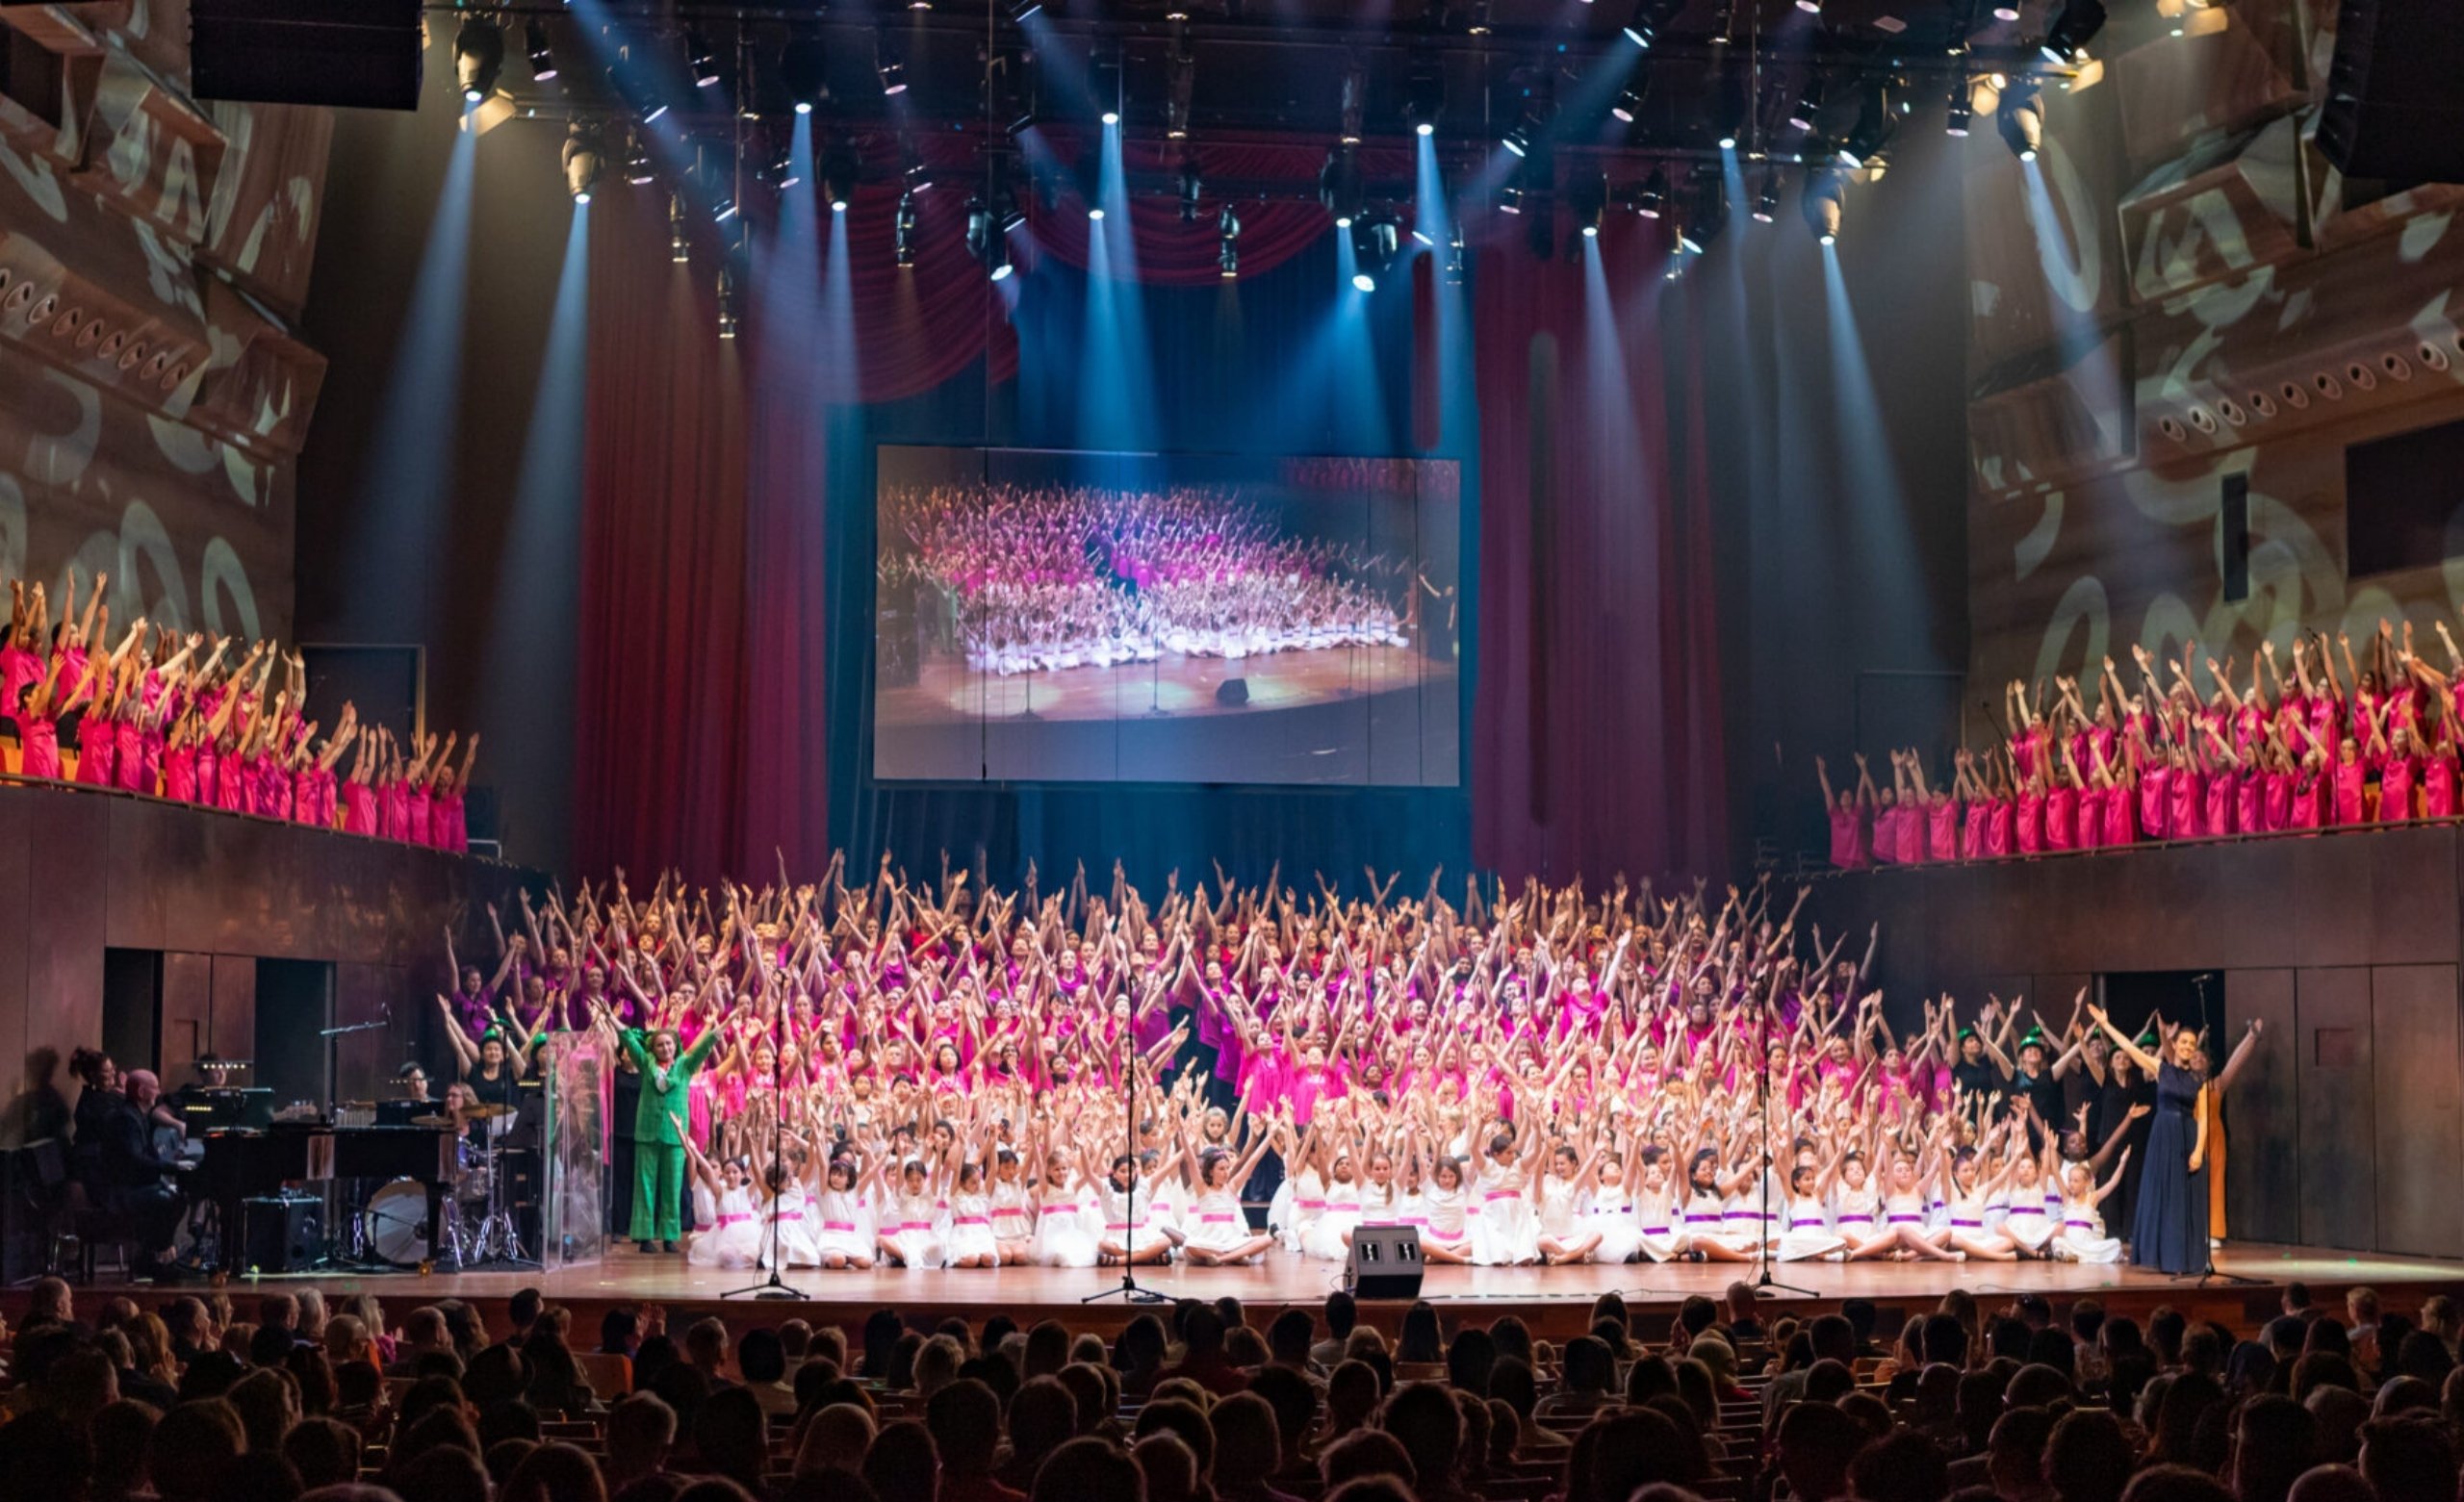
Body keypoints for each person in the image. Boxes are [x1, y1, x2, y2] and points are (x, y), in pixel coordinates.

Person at [2090, 1004, 2208, 1273]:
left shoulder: (2199, 1079)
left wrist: (2199, 1150)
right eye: (2184, 1042)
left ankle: (2184, 1258)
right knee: (2164, 1194)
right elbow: (2130, 1050)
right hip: (2163, 1134)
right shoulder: (2161, 1069)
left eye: (2192, 1043)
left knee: (2183, 1198)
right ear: (2174, 1045)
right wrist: (2106, 1026)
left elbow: (2202, 1119)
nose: (2188, 1047)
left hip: (2187, 1135)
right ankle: (2164, 1256)